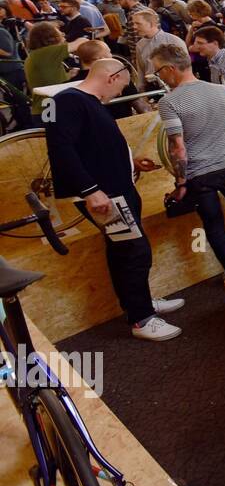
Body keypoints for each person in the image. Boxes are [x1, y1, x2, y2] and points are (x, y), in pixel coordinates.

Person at [44, 58, 185, 340]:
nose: (121, 92)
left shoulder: (87, 102)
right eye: (122, 86)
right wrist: (90, 190)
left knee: (124, 250)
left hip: (116, 189)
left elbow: (95, 146)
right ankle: (142, 318)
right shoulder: (68, 101)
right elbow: (60, 150)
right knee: (135, 251)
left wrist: (130, 162)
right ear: (112, 76)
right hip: (104, 194)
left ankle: (139, 303)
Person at [152, 43, 225, 279]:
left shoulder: (169, 102)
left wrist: (181, 182)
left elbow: (178, 148)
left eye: (158, 71)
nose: (159, 76)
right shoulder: (221, 91)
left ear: (169, 69)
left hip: (198, 175)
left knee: (214, 225)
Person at [24, 21, 70, 104]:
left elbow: (48, 80)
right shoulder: (44, 53)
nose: (63, 34)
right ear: (50, 38)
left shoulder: (40, 54)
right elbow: (79, 43)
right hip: (49, 109)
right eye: (58, 32)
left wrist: (68, 76)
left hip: (48, 107)